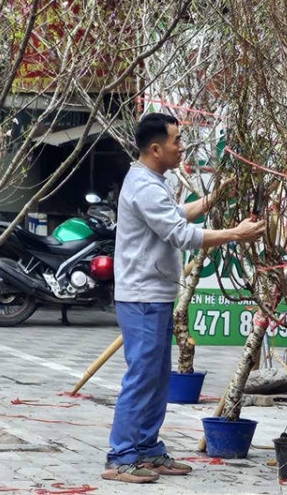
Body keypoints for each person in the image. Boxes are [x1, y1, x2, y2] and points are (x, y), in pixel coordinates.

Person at [104, 113, 266, 484]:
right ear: (156, 148)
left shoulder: (152, 181)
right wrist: (236, 234)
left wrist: (213, 197)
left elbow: (176, 214)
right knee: (141, 377)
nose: (182, 147)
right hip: (142, 297)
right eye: (177, 141)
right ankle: (120, 456)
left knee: (158, 378)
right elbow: (180, 233)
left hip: (154, 294)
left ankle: (146, 448)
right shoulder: (144, 185)